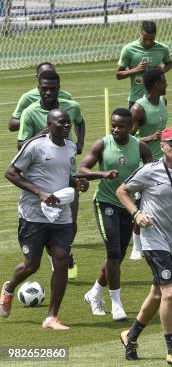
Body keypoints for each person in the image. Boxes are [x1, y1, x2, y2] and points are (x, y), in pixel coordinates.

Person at [117, 127, 172, 365]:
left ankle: (130, 337)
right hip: (153, 238)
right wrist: (136, 214)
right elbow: (122, 190)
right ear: (162, 147)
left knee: (157, 293)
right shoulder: (149, 171)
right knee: (171, 291)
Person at [1, 109, 89, 329]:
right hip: (33, 215)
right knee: (32, 265)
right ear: (49, 124)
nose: (67, 126)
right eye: (61, 123)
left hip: (61, 214)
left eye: (68, 123)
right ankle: (9, 288)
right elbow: (10, 173)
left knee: (61, 260)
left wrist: (77, 184)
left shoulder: (70, 147)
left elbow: (68, 177)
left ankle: (52, 317)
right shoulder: (35, 146)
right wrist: (39, 192)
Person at [78, 108, 152, 321]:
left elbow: (152, 173)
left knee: (116, 257)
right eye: (113, 125)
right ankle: (116, 303)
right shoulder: (103, 144)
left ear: (131, 127)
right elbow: (82, 169)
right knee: (113, 252)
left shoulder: (140, 147)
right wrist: (102, 174)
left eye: (121, 126)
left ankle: (94, 293)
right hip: (105, 203)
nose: (116, 129)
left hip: (127, 206)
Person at [17, 69, 85, 279]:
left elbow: (80, 121)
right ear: (38, 89)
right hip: (39, 179)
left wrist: (79, 143)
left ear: (59, 88)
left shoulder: (71, 107)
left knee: (70, 223)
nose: (48, 92)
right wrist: (42, 136)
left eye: (52, 89)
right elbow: (21, 144)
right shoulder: (30, 111)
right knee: (32, 265)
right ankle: (49, 252)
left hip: (65, 180)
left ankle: (61, 252)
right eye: (44, 89)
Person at [128, 69, 168, 259]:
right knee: (142, 204)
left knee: (162, 202)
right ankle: (136, 244)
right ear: (155, 85)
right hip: (145, 163)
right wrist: (150, 137)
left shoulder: (163, 101)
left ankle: (158, 239)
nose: (167, 84)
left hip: (163, 161)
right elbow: (126, 139)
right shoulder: (138, 109)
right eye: (164, 81)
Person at [116, 21, 172, 108]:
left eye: (151, 39)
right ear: (140, 33)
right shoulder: (129, 49)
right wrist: (136, 70)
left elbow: (169, 63)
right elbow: (118, 75)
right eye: (145, 39)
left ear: (155, 35)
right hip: (136, 100)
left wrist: (161, 71)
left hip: (156, 99)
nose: (148, 42)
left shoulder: (163, 49)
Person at [8, 62, 72, 132]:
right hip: (37, 141)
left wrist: (80, 141)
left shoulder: (66, 96)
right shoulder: (28, 97)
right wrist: (33, 119)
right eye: (43, 74)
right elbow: (12, 125)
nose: (47, 76)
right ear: (37, 77)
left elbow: (76, 119)